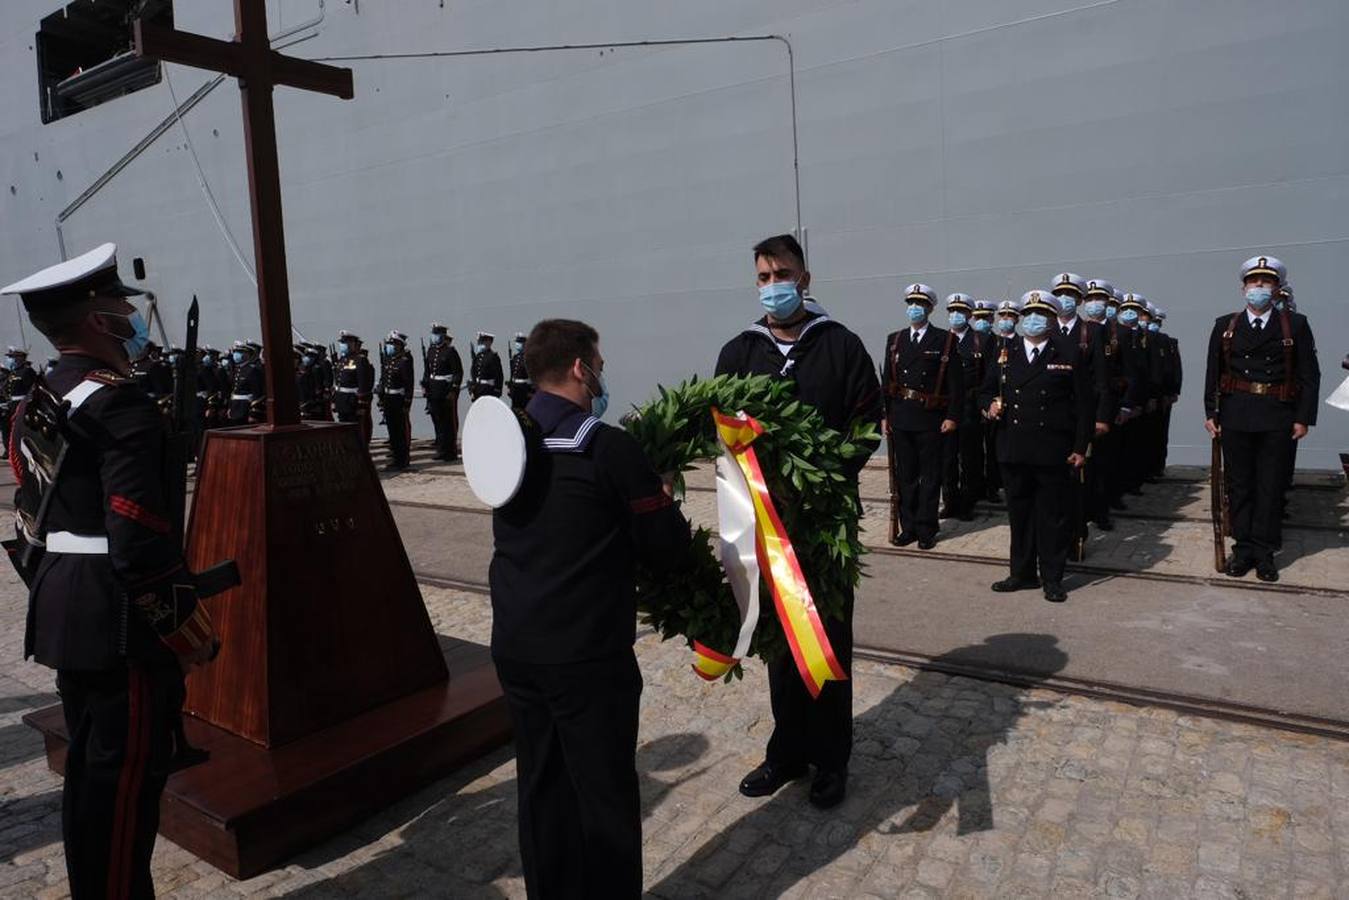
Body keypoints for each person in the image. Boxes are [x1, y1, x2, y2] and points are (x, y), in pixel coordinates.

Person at [0, 243, 219, 899]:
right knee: (126, 788)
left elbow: (27, 519)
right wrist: (187, 634)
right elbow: (139, 545)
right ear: (99, 320)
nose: (131, 312)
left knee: (93, 784)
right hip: (123, 620)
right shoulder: (118, 404)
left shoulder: (42, 395)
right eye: (120, 303)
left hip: (68, 607)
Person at [490, 318, 690, 897]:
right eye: (598, 366)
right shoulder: (607, 446)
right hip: (586, 653)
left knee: (542, 789)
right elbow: (667, 551)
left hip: (517, 646)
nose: (601, 377)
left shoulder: (508, 438)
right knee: (604, 799)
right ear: (580, 367)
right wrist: (662, 493)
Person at [715, 233, 881, 810]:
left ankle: (831, 759)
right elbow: (722, 434)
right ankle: (786, 752)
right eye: (762, 277)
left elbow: (868, 423)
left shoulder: (842, 347)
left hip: (827, 528)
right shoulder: (740, 351)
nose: (772, 286)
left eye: (781, 274)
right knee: (780, 644)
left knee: (828, 641)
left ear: (804, 279)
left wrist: (828, 476)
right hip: (766, 525)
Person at [1203, 255, 1319, 582]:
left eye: (1265, 282)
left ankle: (1264, 553)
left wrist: (1303, 418)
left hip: (1276, 415)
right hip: (1236, 414)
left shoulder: (1295, 325)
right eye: (1253, 282)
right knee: (1239, 486)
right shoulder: (1225, 326)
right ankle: (1243, 550)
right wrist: (1210, 412)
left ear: (1277, 288)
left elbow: (1310, 375)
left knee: (1270, 485)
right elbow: (1214, 373)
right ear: (1243, 288)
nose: (1258, 287)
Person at [980, 290, 1093, 603]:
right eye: (1028, 314)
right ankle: (1022, 573)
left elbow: (1084, 406)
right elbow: (985, 391)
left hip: (1052, 450)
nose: (1032, 320)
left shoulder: (1068, 353)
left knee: (1051, 517)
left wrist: (1081, 446)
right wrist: (989, 406)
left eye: (1040, 314)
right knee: (1019, 515)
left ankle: (1053, 578)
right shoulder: (1005, 351)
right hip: (1013, 448)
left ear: (1051, 319)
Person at [881, 283, 963, 548]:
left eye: (920, 304)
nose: (915, 308)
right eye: (911, 304)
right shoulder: (895, 339)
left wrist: (952, 416)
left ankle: (927, 528)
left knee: (929, 476)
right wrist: (885, 415)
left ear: (930, 308)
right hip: (901, 416)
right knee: (906, 476)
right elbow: (887, 381)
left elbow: (956, 384)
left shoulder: (945, 340)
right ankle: (909, 527)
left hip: (931, 418)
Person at [1051, 273, 1110, 553]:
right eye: (1060, 295)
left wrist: (1100, 417)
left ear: (1078, 300)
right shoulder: (1046, 329)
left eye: (1070, 295)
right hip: (1050, 417)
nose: (1065, 300)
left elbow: (1101, 380)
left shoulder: (1091, 332)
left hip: (1080, 417)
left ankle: (1077, 537)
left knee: (1078, 481)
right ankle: (1052, 538)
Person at [940, 293, 979, 521]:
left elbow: (987, 377)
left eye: (961, 311)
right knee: (947, 459)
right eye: (952, 311)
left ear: (969, 315)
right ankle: (950, 501)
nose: (956, 315)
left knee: (969, 459)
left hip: (969, 409)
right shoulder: (943, 341)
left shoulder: (981, 340)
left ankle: (967, 503)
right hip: (946, 409)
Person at [422, 323, 463, 461]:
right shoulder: (431, 351)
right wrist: (425, 385)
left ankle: (450, 451)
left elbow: (458, 372)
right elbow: (428, 371)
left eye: (437, 335)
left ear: (443, 336)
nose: (434, 337)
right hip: (433, 391)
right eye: (433, 334)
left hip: (445, 391)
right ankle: (441, 449)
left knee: (448, 423)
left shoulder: (450, 352)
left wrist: (453, 390)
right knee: (437, 421)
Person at [377, 330, 415, 470]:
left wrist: (407, 402)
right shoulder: (389, 360)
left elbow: (408, 384)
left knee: (400, 432)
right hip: (388, 399)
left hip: (398, 400)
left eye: (392, 344)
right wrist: (381, 398)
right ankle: (396, 457)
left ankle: (403, 460)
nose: (390, 346)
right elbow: (384, 380)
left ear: (400, 345)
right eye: (389, 344)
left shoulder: (404, 362)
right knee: (392, 431)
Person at [333, 331, 376, 446]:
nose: (343, 345)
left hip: (353, 401)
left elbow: (363, 384)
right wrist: (335, 400)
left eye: (345, 342)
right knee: (343, 429)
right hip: (342, 401)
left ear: (353, 344)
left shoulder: (360, 360)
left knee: (356, 431)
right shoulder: (342, 360)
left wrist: (362, 404)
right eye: (342, 342)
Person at [2, 346, 37, 455]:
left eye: (13, 357)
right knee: (6, 428)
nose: (12, 359)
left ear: (22, 357)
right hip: (11, 405)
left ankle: (20, 452)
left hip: (22, 406)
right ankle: (10, 450)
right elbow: (7, 388)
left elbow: (31, 390)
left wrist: (26, 405)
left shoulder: (27, 371)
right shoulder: (14, 372)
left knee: (20, 431)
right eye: (11, 357)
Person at [226, 340, 265, 425]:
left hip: (245, 408)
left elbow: (258, 393)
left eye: (239, 352)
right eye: (235, 351)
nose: (236, 354)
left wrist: (254, 413)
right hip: (235, 407)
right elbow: (234, 391)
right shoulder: (237, 370)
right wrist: (230, 407)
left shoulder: (253, 371)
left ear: (247, 354)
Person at [468, 332, 504, 401]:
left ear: (489, 343)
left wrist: (497, 389)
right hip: (478, 389)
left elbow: (499, 375)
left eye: (482, 342)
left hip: (488, 389)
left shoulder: (493, 357)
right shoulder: (478, 357)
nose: (480, 344)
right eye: (479, 342)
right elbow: (474, 372)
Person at [507, 332, 535, 411]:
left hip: (525, 390)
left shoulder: (529, 358)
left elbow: (533, 375)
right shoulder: (515, 358)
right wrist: (510, 386)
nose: (517, 344)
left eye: (520, 342)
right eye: (517, 342)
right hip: (516, 389)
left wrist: (532, 391)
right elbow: (513, 374)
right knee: (515, 411)